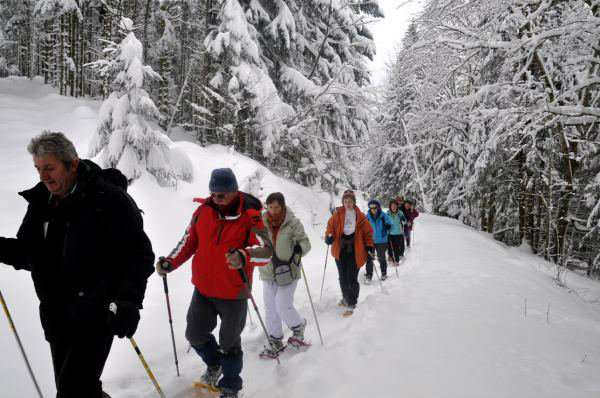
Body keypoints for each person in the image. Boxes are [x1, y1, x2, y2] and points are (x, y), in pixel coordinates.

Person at [0, 131, 154, 398]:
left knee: (72, 391)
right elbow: (30, 254)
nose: (43, 176)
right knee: (78, 388)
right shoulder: (41, 202)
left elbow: (138, 254)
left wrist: (129, 302)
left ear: (72, 164)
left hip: (97, 313)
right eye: (38, 169)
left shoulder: (107, 200)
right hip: (56, 315)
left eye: (49, 167)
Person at [156, 168, 272, 398]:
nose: (216, 199)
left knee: (229, 342)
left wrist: (244, 255)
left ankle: (230, 385)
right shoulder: (203, 211)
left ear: (234, 191)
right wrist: (170, 261)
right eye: (213, 194)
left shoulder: (250, 215)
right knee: (195, 334)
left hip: (233, 291)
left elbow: (267, 252)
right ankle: (214, 364)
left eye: (221, 195)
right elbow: (189, 241)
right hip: (204, 288)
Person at [258, 192, 311, 358]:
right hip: (267, 271)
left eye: (277, 207)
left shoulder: (293, 223)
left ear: (282, 206)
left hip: (288, 271)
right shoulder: (260, 223)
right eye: (270, 207)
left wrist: (298, 253)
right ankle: (275, 339)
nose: (273, 210)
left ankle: (298, 326)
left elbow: (305, 242)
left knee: (282, 304)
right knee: (271, 308)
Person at [325, 190, 374, 317]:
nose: (348, 204)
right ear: (342, 202)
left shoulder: (361, 216)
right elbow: (330, 227)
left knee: (352, 278)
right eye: (345, 201)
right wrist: (329, 236)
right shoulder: (337, 214)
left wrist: (369, 245)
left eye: (350, 201)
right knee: (342, 277)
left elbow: (368, 232)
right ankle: (345, 297)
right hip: (340, 250)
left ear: (354, 202)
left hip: (355, 250)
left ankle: (352, 303)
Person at [365, 200, 393, 282]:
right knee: (369, 258)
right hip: (371, 240)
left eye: (375, 207)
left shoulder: (384, 216)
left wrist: (389, 226)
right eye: (371, 208)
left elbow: (391, 224)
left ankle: (384, 273)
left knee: (381, 258)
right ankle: (369, 275)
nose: (373, 209)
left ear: (378, 207)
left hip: (382, 240)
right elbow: (364, 228)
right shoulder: (367, 217)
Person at [386, 200, 407, 264]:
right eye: (392, 206)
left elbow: (404, 222)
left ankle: (396, 260)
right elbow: (385, 222)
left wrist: (403, 219)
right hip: (390, 233)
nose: (394, 207)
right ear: (390, 206)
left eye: (395, 206)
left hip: (398, 233)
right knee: (389, 246)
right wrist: (386, 225)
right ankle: (390, 255)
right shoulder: (387, 213)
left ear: (397, 206)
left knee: (396, 247)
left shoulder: (400, 213)